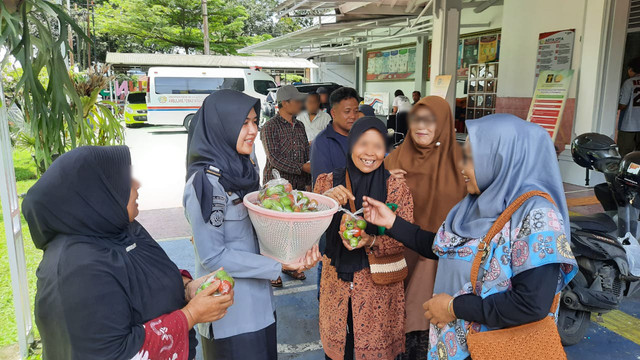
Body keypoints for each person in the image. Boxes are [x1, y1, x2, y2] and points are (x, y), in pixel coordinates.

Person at [361, 114, 577, 360]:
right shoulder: (475, 204)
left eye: (471, 158)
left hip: (496, 348)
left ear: (502, 159)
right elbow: (444, 248)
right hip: (455, 345)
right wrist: (390, 222)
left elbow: (531, 304)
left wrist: (454, 307)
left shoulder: (537, 215)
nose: (462, 167)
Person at [23, 146, 234, 360]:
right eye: (125, 180)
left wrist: (188, 289)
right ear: (98, 193)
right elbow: (114, 354)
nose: (137, 185)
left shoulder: (123, 229)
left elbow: (148, 273)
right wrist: (190, 315)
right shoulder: (76, 271)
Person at [185, 89, 321, 359]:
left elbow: (258, 234)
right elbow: (212, 256)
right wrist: (278, 265)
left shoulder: (243, 171)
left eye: (254, 122)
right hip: (230, 314)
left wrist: (294, 247)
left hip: (261, 305)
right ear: (220, 125)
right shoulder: (207, 182)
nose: (253, 130)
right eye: (243, 123)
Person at [314, 117, 414, 360]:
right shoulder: (327, 182)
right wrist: (325, 202)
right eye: (363, 144)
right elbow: (309, 231)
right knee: (340, 352)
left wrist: (370, 241)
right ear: (350, 145)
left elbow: (405, 238)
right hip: (335, 290)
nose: (370, 153)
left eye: (378, 145)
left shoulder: (396, 188)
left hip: (378, 296)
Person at [385, 96, 467, 360]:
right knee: (395, 328)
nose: (421, 126)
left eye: (430, 120)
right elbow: (369, 203)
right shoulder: (396, 158)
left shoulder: (462, 164)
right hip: (397, 259)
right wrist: (384, 181)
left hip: (441, 264)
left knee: (428, 332)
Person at [261, 84, 311, 191]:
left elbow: (306, 155)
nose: (300, 104)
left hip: (299, 187)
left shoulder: (300, 125)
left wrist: (308, 182)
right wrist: (302, 167)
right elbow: (275, 159)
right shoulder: (270, 126)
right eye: (297, 101)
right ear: (284, 103)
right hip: (277, 187)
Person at [311, 87, 360, 184]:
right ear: (333, 113)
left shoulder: (361, 138)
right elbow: (322, 185)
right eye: (347, 111)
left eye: (356, 111)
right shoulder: (321, 143)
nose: (353, 116)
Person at [617, 57, 640, 157]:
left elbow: (623, 104)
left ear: (631, 69)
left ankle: (625, 172)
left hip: (628, 125)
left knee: (625, 155)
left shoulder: (629, 82)